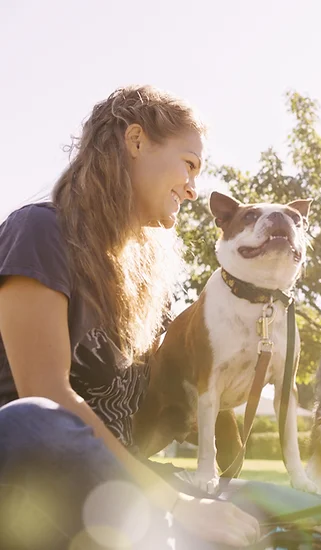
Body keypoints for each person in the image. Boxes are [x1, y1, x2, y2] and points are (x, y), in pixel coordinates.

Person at [0, 85, 262, 549]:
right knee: (36, 419)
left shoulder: (145, 288)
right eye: (189, 164)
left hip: (113, 488)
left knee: (264, 501)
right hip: (31, 472)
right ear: (136, 141)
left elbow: (140, 422)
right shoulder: (40, 232)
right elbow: (48, 394)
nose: (193, 187)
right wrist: (177, 506)